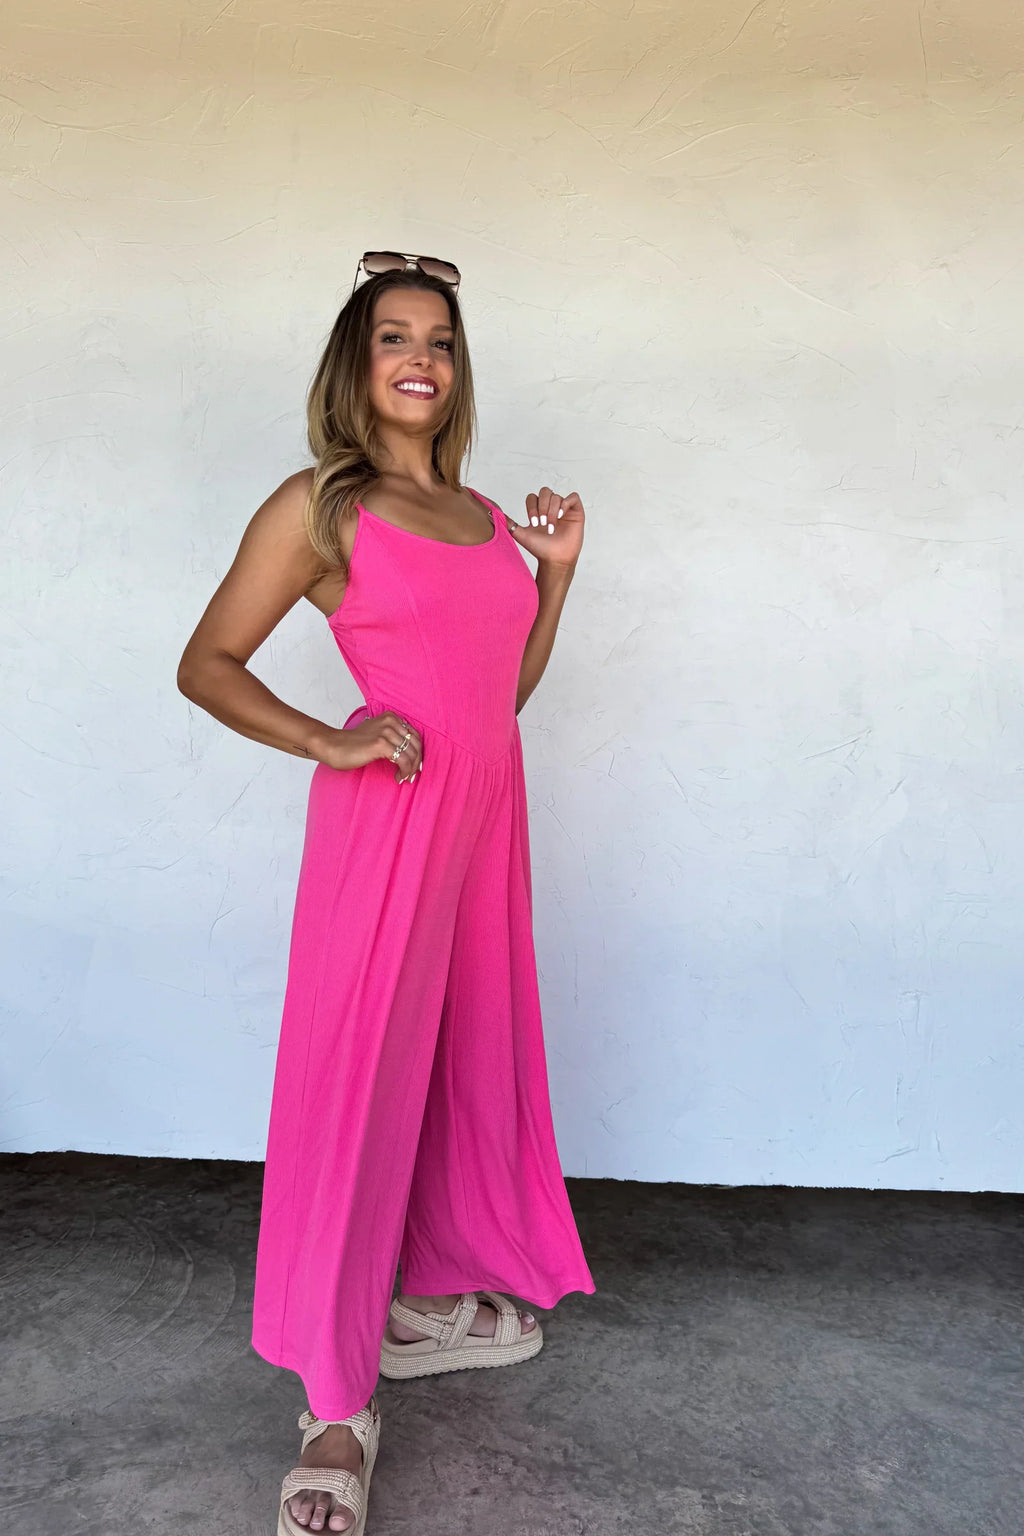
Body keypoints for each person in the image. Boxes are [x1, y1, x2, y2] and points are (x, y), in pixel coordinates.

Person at [176, 250, 595, 1535]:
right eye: (394, 337)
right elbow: (208, 662)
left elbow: (498, 694)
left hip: (484, 820)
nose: (421, 358)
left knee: (464, 1060)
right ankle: (333, 1404)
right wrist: (330, 738)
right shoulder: (321, 505)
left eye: (441, 341)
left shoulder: (478, 515)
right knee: (358, 1084)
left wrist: (557, 576)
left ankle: (412, 1306)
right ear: (355, 364)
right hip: (392, 821)